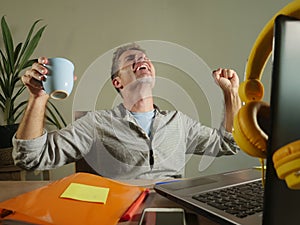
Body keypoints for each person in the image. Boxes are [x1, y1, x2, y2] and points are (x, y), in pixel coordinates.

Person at [13, 43, 241, 179]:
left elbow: (228, 143)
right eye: (130, 59)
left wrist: (231, 93)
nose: (140, 59)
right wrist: (38, 98)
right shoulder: (96, 124)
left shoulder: (179, 122)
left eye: (143, 57)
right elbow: (31, 158)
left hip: (173, 209)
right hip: (121, 215)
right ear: (117, 82)